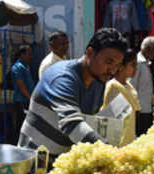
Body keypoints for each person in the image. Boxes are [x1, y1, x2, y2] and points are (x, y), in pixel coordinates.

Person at [18, 27, 127, 166]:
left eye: (117, 66)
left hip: (63, 161)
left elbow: (87, 120)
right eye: (109, 62)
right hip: (35, 159)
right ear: (90, 53)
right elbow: (72, 124)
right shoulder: (62, 77)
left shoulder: (99, 80)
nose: (112, 71)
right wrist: (109, 151)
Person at [100, 49, 141, 146]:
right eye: (133, 65)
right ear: (121, 66)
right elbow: (111, 120)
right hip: (118, 143)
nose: (136, 69)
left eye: (136, 65)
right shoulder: (113, 87)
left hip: (129, 139)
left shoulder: (128, 86)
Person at [131, 36, 154, 136]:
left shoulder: (145, 63)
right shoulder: (138, 63)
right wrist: (135, 108)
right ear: (147, 49)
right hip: (140, 109)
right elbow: (132, 87)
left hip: (147, 107)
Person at [11, 45, 36, 144]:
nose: (31, 57)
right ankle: (17, 145)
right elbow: (21, 86)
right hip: (21, 101)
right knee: (21, 125)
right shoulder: (17, 67)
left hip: (27, 100)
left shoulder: (26, 66)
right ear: (22, 54)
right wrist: (31, 98)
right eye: (29, 54)